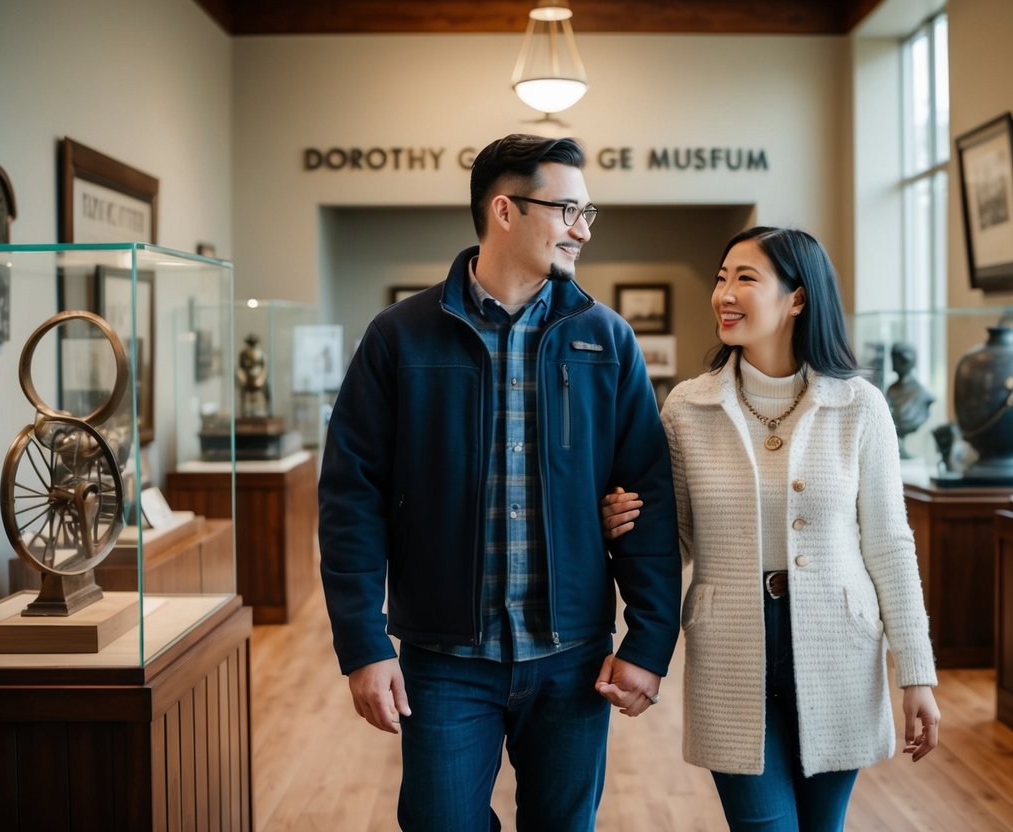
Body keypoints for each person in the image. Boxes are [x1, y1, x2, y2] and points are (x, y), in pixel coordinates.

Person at [318, 134, 681, 832]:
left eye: (587, 213)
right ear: (505, 210)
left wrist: (648, 641)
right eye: (568, 210)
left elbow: (647, 498)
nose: (583, 229)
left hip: (573, 657)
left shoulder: (607, 340)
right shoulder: (398, 337)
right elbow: (350, 498)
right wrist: (363, 643)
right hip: (444, 660)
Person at [601, 227, 940, 830]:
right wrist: (616, 525)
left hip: (840, 651)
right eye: (721, 279)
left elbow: (890, 545)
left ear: (798, 298)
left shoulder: (860, 406)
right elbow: (672, 541)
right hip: (730, 649)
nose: (724, 294)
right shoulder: (687, 408)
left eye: (745, 279)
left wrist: (917, 675)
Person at [884, 341, 934, 458]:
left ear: (906, 361)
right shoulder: (890, 390)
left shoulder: (923, 394)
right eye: (893, 358)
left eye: (897, 359)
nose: (894, 362)